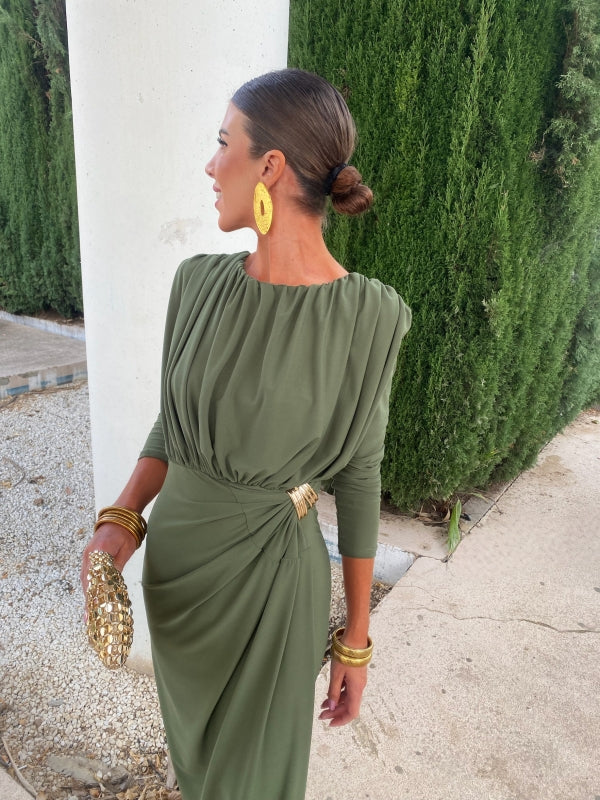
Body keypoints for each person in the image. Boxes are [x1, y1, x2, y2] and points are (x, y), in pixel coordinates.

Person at [81, 68, 411, 800]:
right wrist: (120, 522)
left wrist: (356, 639)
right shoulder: (197, 284)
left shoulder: (369, 316)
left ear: (270, 166)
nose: (210, 164)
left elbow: (359, 476)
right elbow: (174, 421)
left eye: (223, 142)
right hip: (179, 588)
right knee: (201, 777)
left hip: (271, 589)